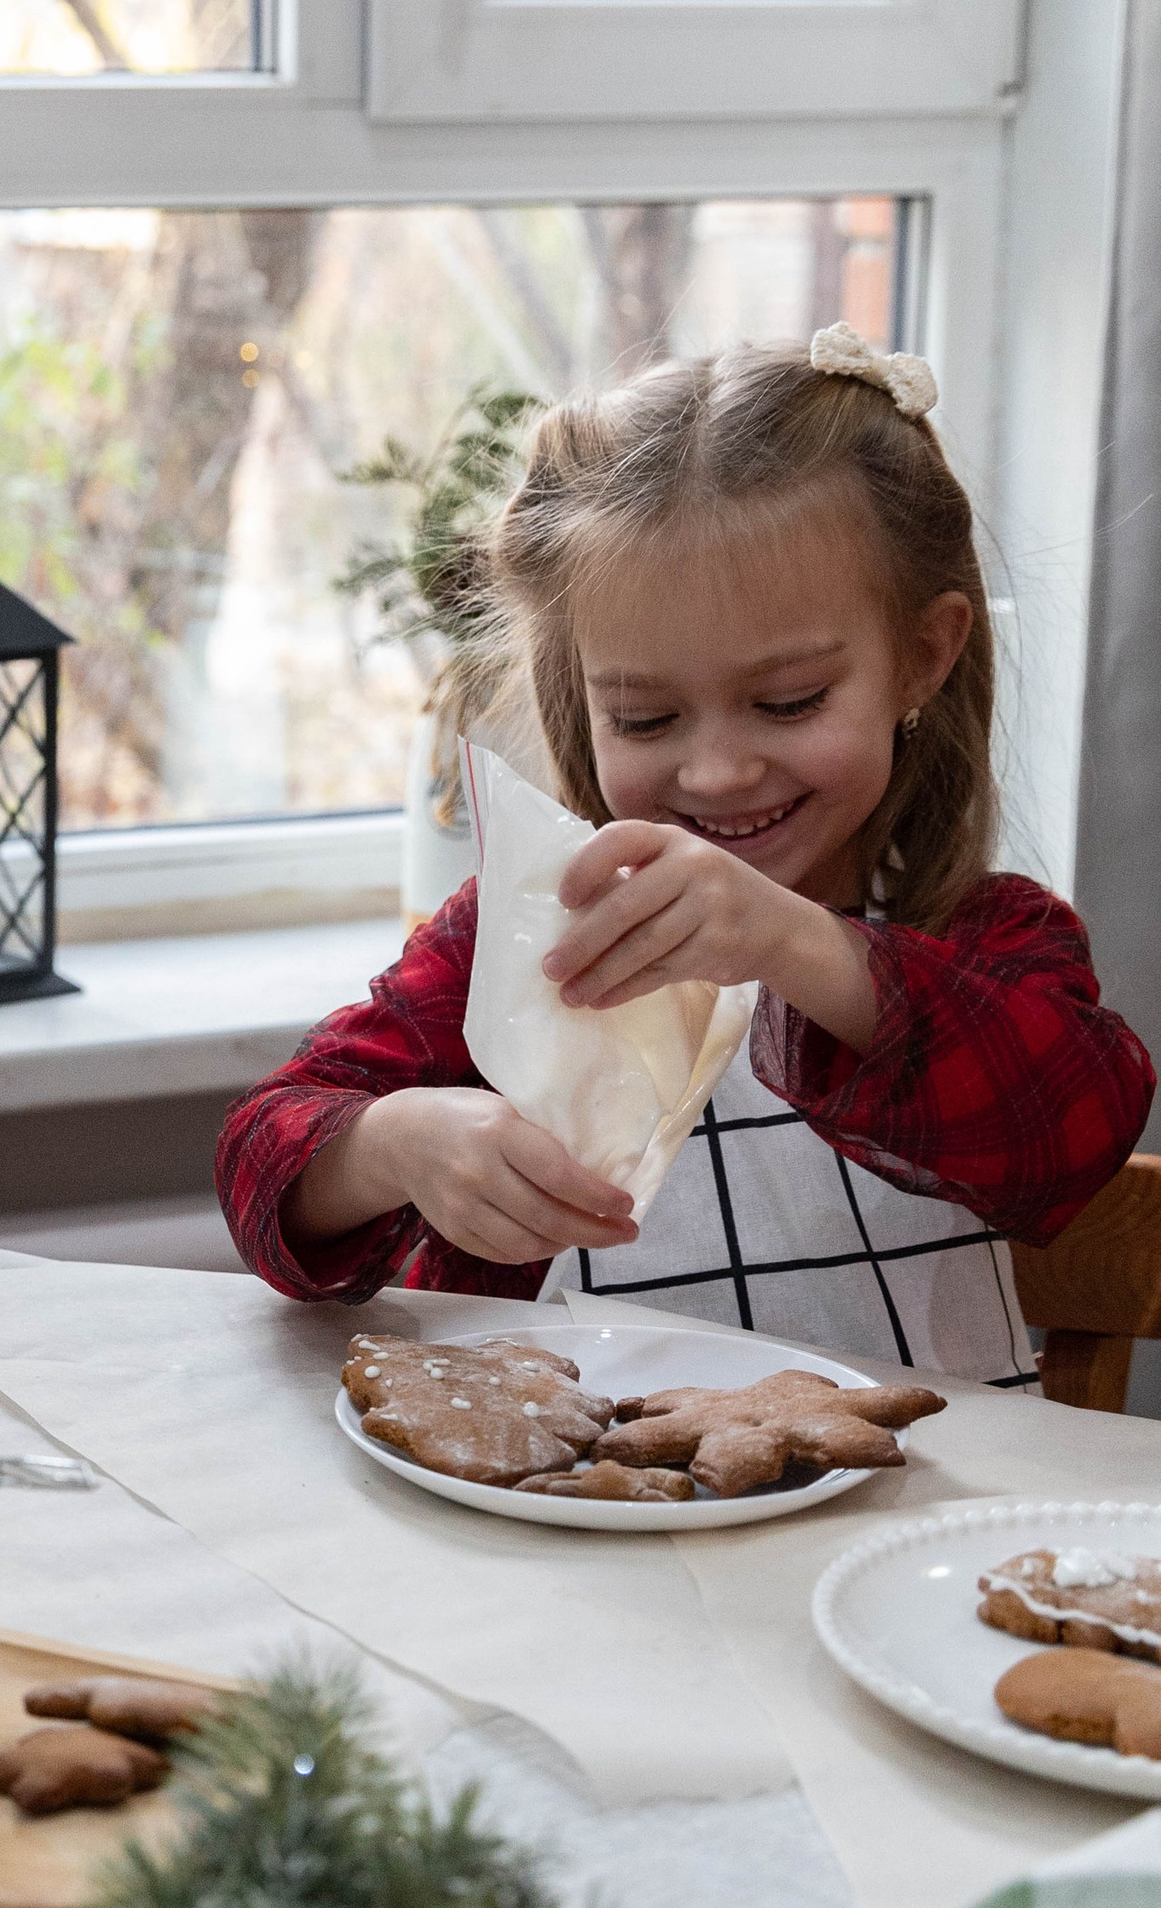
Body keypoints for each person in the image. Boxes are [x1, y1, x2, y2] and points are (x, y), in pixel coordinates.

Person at [217, 328, 1153, 1382]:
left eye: (788, 702)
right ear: (581, 695)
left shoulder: (987, 935)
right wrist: (396, 1144)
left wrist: (800, 948)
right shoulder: (527, 938)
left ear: (921, 657)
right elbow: (261, 1158)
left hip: (914, 1483)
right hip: (569, 1476)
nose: (716, 772)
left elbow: (1074, 1135)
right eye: (645, 717)